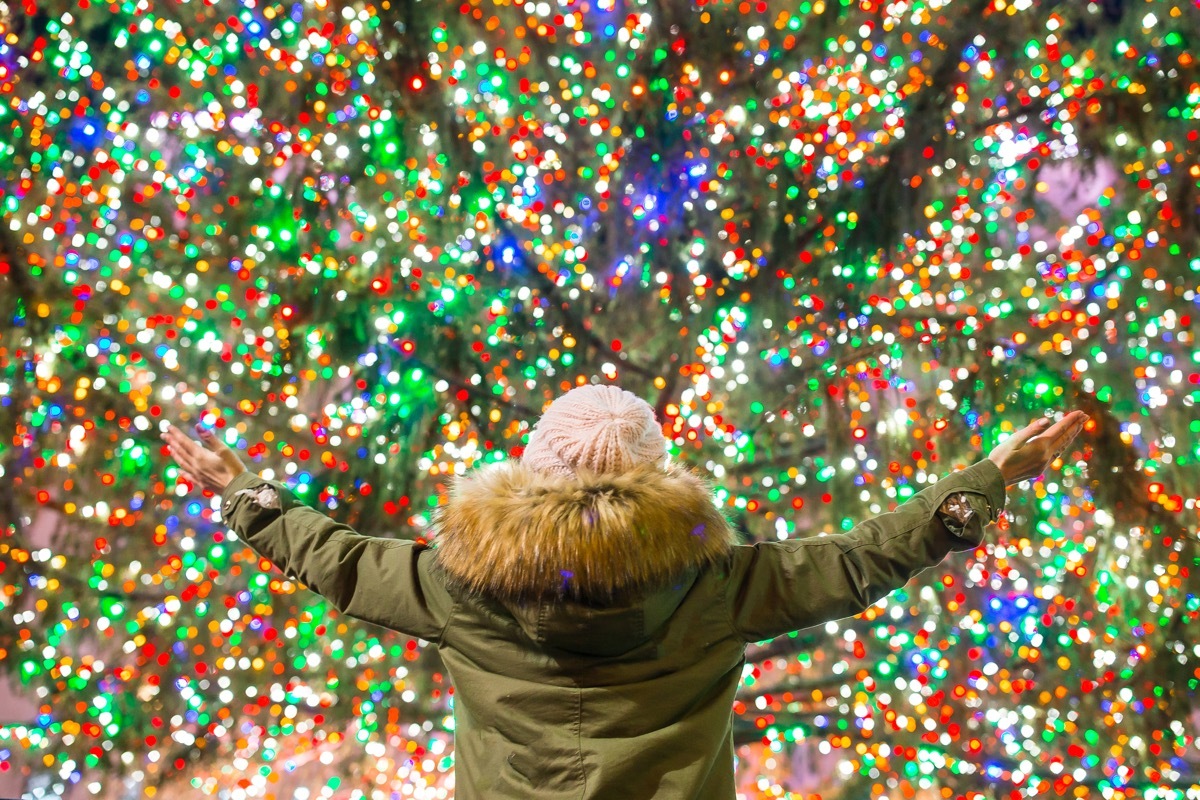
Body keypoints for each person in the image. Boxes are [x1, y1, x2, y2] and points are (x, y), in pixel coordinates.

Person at [161, 385, 1088, 799]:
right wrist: (983, 479)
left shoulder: (456, 584)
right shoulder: (719, 584)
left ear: (529, 474)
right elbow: (858, 559)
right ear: (658, 482)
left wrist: (247, 495)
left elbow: (340, 560)